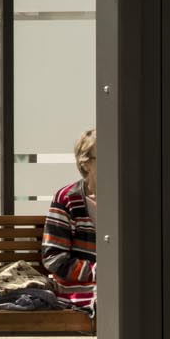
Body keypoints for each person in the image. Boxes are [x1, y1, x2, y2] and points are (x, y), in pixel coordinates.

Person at [41, 128, 99, 313]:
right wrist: (101, 272)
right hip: (77, 287)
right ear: (86, 163)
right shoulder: (67, 198)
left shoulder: (128, 198)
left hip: (121, 283)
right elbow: (55, 259)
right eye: (105, 156)